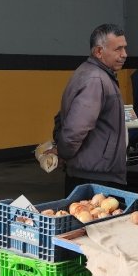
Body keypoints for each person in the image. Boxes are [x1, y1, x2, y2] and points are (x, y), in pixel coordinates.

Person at [55, 23, 128, 195]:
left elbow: (61, 117)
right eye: (118, 49)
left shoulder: (94, 74)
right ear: (98, 52)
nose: (124, 54)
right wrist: (63, 153)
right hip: (94, 178)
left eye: (125, 48)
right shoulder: (95, 79)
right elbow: (75, 129)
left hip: (94, 171)